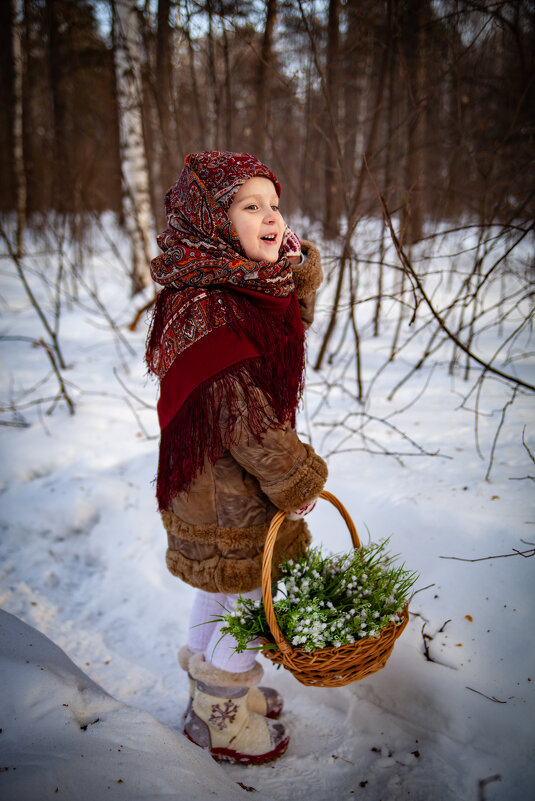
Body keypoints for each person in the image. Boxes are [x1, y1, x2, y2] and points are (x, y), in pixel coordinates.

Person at [146, 151, 327, 764]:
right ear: (213, 221)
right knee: (250, 594)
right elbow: (244, 417)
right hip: (229, 485)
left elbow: (281, 337)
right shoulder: (206, 307)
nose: (272, 218)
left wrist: (295, 277)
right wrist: (296, 477)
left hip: (214, 480)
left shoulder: (237, 283)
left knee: (220, 587)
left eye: (274, 205)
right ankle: (222, 713)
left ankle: (207, 691)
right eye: (252, 207)